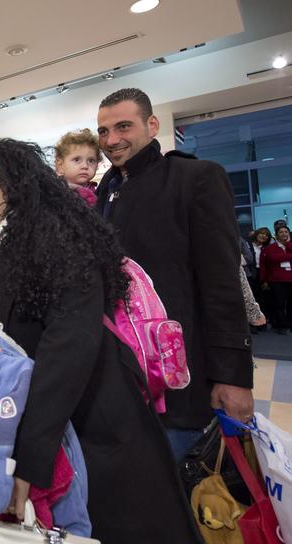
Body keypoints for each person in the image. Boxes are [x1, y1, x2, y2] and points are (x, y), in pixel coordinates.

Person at [0, 138, 201, 543]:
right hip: (15, 437)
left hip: (98, 437)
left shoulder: (62, 253)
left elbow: (65, 360)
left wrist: (29, 462)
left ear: (16, 188)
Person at [94, 88, 253, 460]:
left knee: (186, 496)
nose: (111, 140)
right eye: (103, 131)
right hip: (118, 381)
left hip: (180, 379)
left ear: (152, 126)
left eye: (123, 126)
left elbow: (222, 284)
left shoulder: (194, 177)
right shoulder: (104, 192)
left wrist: (232, 375)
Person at [53, 129, 101, 206]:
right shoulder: (58, 194)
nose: (85, 166)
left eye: (91, 161)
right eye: (77, 160)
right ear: (60, 165)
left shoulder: (98, 190)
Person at [260, 225, 292, 334]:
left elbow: (279, 258)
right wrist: (264, 280)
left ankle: (290, 323)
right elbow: (272, 258)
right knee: (279, 304)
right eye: (281, 232)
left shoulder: (290, 246)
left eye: (286, 232)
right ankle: (282, 326)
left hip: (291, 279)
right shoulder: (270, 248)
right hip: (277, 280)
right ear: (276, 235)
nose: (284, 234)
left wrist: (288, 245)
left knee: (291, 304)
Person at [250, 227, 273, 330]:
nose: (264, 236)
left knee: (263, 299)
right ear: (257, 234)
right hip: (252, 274)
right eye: (262, 233)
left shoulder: (267, 248)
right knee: (253, 299)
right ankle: (253, 323)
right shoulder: (248, 245)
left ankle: (262, 323)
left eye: (266, 235)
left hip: (264, 274)